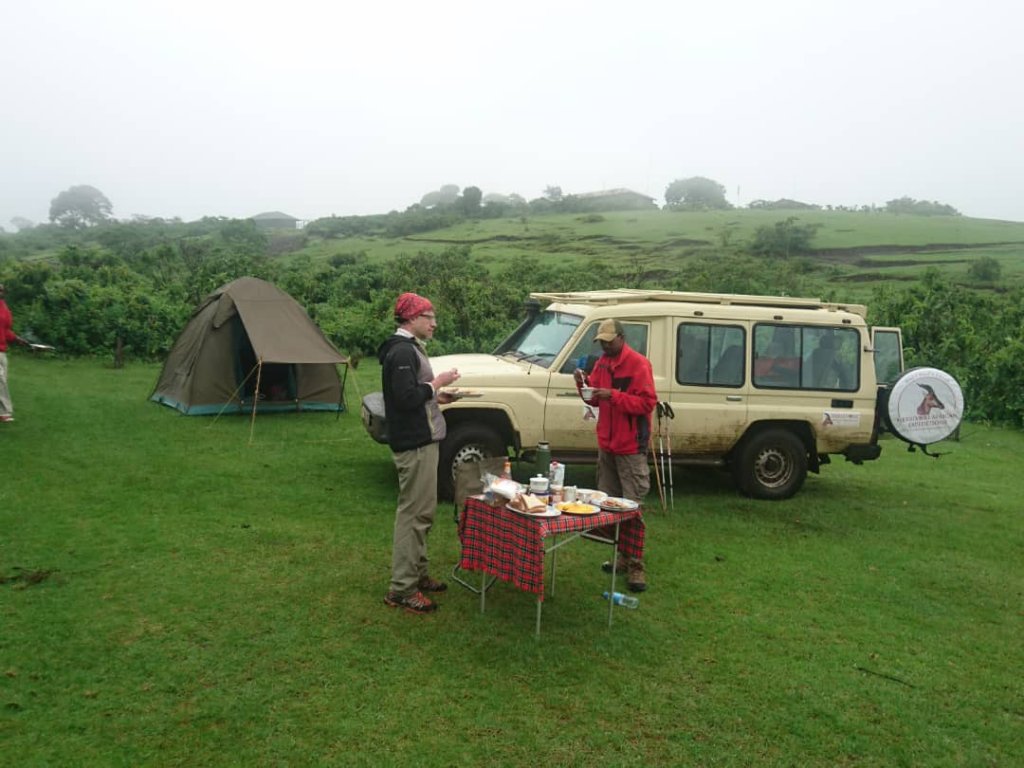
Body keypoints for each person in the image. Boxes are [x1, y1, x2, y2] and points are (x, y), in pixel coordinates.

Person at [378, 292, 460, 614]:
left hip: (421, 440)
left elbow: (411, 398)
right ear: (412, 318)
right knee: (414, 516)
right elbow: (404, 398)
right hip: (414, 445)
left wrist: (437, 399)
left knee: (422, 513)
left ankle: (418, 574)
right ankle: (402, 589)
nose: (434, 323)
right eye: (430, 316)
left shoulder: (408, 350)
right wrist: (437, 383)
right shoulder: (401, 351)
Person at [574, 319, 657, 592]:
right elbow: (594, 399)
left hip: (631, 447)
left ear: (622, 337)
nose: (606, 345)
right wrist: (582, 385)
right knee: (609, 505)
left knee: (631, 508)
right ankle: (621, 557)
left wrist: (614, 395)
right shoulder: (602, 363)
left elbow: (647, 403)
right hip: (607, 445)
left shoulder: (638, 364)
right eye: (602, 341)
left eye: (610, 340)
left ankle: (636, 566)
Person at [0, 283, 32, 423]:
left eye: (1, 290)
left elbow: (5, 330)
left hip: (1, 351)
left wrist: (18, 339)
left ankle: (2, 412)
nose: (0, 291)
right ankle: (5, 412)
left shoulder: (4, 308)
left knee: (2, 381)